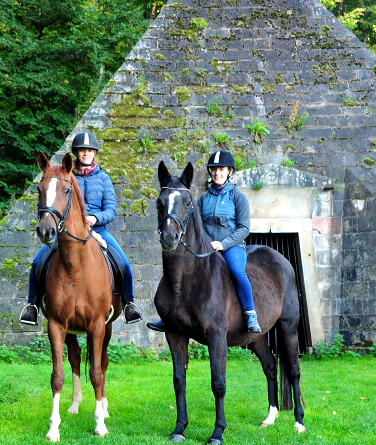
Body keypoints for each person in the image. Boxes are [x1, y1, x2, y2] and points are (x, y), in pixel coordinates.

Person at [20, 131, 142, 325]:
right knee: (37, 262)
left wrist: (96, 217)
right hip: (67, 233)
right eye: (82, 150)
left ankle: (129, 305)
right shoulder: (64, 176)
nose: (86, 153)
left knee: (124, 264)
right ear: (76, 153)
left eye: (90, 150)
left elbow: (111, 209)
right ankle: (32, 306)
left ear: (94, 153)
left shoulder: (103, 178)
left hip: (98, 231)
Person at [147, 150, 261, 334]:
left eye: (221, 169)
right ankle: (169, 316)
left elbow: (244, 229)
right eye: (214, 169)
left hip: (230, 246)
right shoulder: (203, 199)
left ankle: (250, 313)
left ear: (230, 171)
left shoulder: (238, 197)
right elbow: (194, 226)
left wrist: (223, 244)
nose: (217, 173)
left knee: (236, 271)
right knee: (179, 271)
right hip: (206, 247)